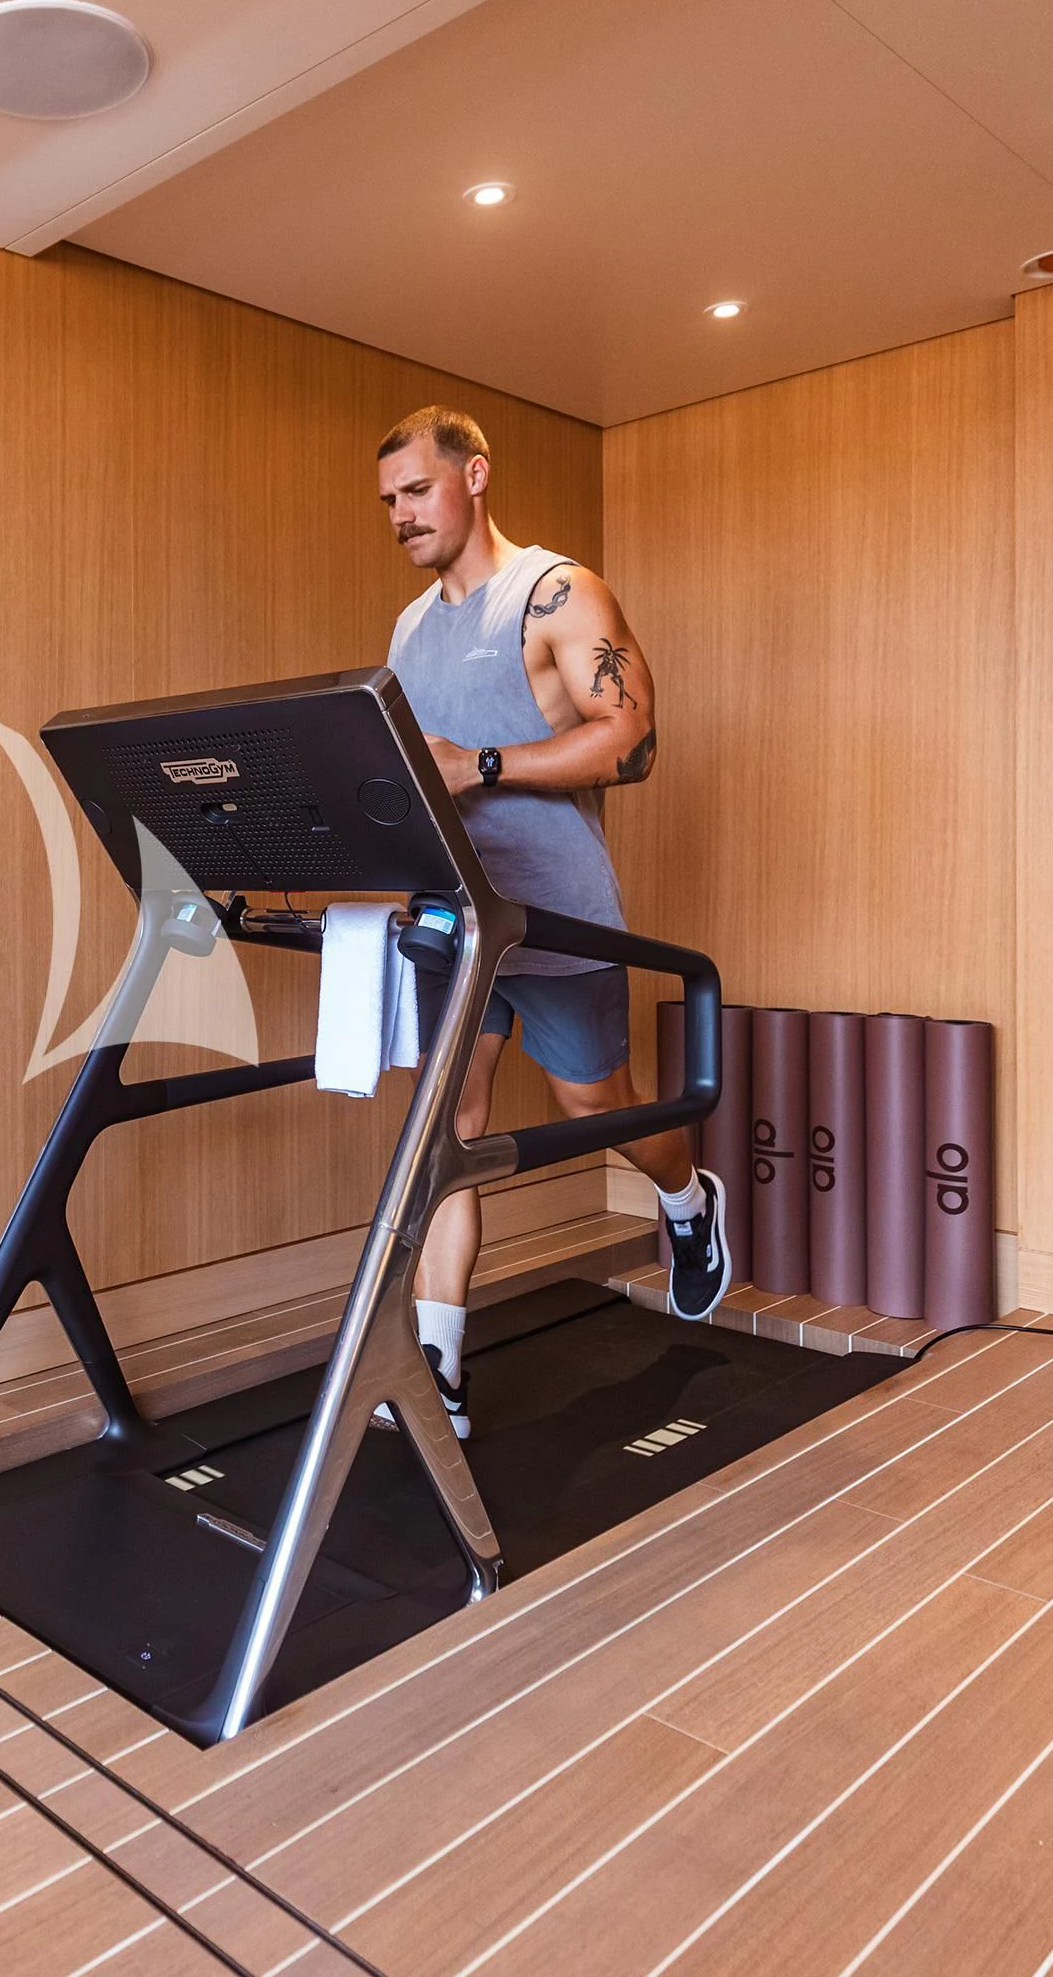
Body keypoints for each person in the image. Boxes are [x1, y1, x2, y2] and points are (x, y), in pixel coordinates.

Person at [376, 404, 729, 1439]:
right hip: (457, 911)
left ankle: (687, 1197)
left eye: (416, 491)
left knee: (594, 1104)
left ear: (475, 476)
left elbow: (635, 741)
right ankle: (437, 1371)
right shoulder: (406, 626)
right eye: (388, 500)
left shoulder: (556, 593)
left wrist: (478, 766)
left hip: (559, 911)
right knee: (449, 1123)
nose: (400, 515)